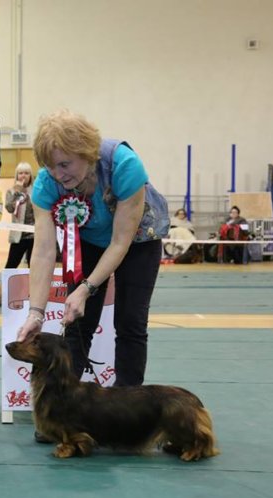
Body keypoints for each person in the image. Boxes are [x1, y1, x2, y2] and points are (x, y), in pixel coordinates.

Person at [16, 110, 169, 390]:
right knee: (77, 323)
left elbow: (121, 241)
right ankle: (66, 406)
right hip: (88, 242)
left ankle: (127, 404)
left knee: (130, 322)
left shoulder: (124, 165)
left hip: (137, 242)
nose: (57, 174)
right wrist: (35, 313)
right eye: (50, 166)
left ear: (87, 153)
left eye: (65, 164)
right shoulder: (45, 183)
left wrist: (86, 288)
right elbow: (43, 251)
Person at [4, 162, 36, 268]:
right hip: (19, 234)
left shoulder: (36, 190)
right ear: (16, 175)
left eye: (26, 173)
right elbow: (9, 208)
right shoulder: (11, 191)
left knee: (34, 266)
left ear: (30, 175)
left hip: (34, 234)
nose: (23, 175)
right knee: (11, 265)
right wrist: (16, 193)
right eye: (20, 173)